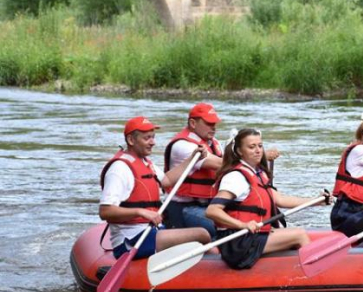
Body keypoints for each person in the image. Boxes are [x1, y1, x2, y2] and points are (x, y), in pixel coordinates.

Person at [205, 129, 332, 270]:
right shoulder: (236, 177)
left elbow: (281, 200)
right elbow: (212, 211)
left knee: (295, 234)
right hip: (237, 242)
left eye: (260, 146)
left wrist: (316, 201)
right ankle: (318, 276)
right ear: (240, 151)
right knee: (300, 235)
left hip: (250, 236)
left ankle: (297, 275)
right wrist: (242, 225)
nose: (258, 150)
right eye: (251, 147)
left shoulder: (256, 173)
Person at [99, 116, 211, 260]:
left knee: (211, 248)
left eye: (153, 137)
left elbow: (167, 180)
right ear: (131, 140)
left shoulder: (145, 163)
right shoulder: (120, 169)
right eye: (147, 138)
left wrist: (193, 159)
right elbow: (105, 211)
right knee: (202, 234)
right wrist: (140, 212)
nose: (153, 142)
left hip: (150, 232)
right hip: (131, 240)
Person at [163, 102, 280, 238]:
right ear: (193, 123)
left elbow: (232, 166)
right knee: (232, 225)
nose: (213, 127)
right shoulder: (182, 146)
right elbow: (221, 163)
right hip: (183, 208)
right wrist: (261, 155)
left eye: (214, 123)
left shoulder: (214, 143)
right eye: (208, 123)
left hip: (206, 205)